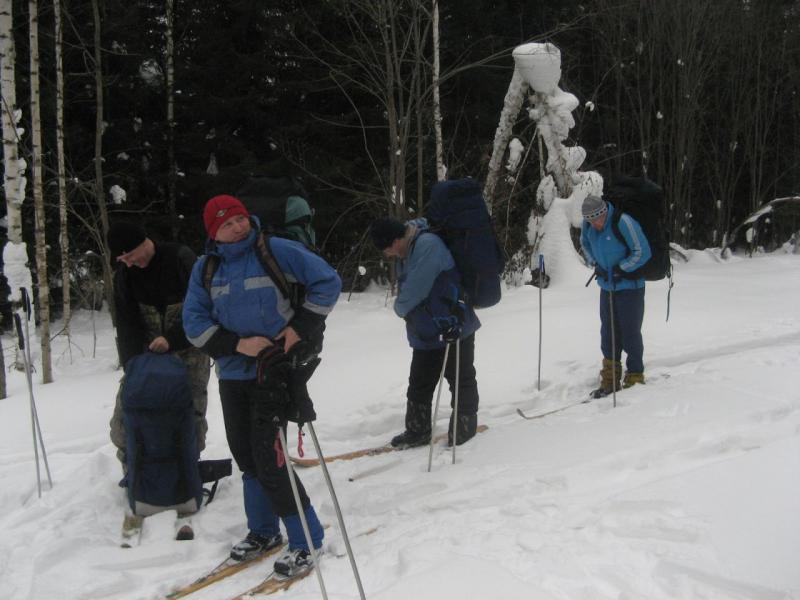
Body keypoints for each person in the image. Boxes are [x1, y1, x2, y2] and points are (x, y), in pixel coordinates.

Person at [182, 194, 341, 577]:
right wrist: (236, 344)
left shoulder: (275, 250)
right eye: (226, 224)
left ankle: (306, 540)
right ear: (214, 233)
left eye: (238, 219)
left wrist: (297, 329)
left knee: (271, 460)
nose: (236, 227)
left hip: (273, 371)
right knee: (247, 458)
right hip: (233, 373)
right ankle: (264, 532)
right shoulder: (206, 267)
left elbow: (327, 282)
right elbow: (193, 322)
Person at [370, 215, 481, 448]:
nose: (388, 255)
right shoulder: (407, 251)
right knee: (419, 381)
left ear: (395, 240)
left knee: (460, 378)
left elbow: (415, 290)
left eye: (387, 249)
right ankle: (417, 431)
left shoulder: (427, 245)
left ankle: (464, 428)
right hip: (426, 330)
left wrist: (399, 308)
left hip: (453, 323)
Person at [107, 221, 210, 468]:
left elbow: (203, 306)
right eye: (123, 259)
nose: (129, 262)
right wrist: (131, 365)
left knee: (188, 413)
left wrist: (172, 338)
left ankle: (186, 471)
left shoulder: (179, 258)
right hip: (147, 354)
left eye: (130, 255)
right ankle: (135, 469)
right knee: (127, 414)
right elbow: (127, 323)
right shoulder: (124, 275)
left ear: (144, 242)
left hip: (189, 347)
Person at [580, 194, 651, 398]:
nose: (595, 224)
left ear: (604, 212)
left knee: (630, 332)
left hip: (630, 287)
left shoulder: (623, 222)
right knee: (608, 333)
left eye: (597, 219)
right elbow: (585, 244)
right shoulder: (589, 227)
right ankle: (610, 379)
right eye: (591, 221)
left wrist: (621, 269)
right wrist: (596, 264)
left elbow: (642, 251)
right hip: (607, 286)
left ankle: (635, 376)